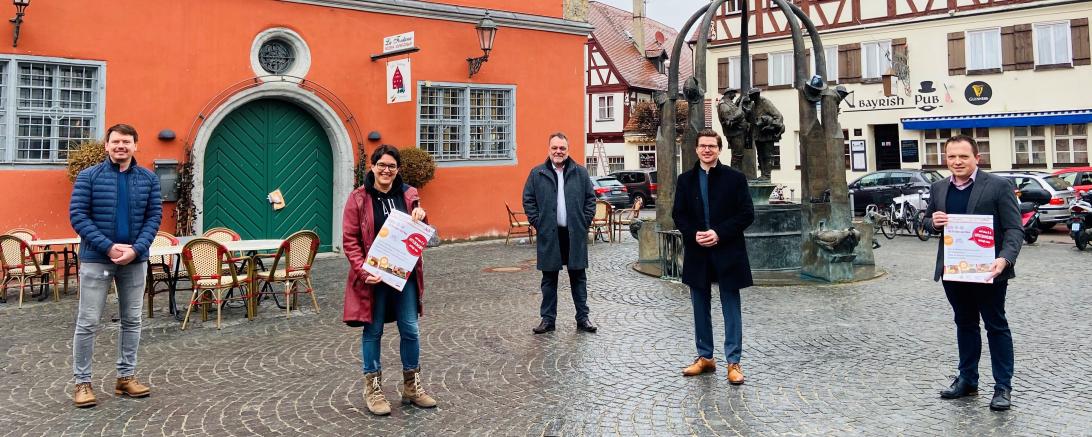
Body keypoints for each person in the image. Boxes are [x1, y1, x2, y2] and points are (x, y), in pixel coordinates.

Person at [922, 135, 1022, 411]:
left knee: (996, 325)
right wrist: (934, 222)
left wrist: (1005, 259)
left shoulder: (999, 186)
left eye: (963, 156)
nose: (957, 161)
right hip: (954, 271)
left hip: (989, 271)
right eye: (952, 156)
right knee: (964, 324)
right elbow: (927, 222)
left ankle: (1003, 386)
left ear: (977, 158)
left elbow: (1014, 229)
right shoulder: (939, 188)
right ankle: (968, 379)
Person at [68, 124, 162, 408]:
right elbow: (78, 217)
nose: (121, 146)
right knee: (88, 322)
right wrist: (108, 246)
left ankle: (125, 378)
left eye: (127, 142)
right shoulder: (88, 177)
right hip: (97, 259)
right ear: (107, 145)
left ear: (136, 146)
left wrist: (136, 249)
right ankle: (82, 382)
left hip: (134, 260)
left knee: (132, 320)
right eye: (116, 142)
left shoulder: (148, 179)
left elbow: (154, 217)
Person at [342, 145, 435, 416]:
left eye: (392, 166)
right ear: (372, 167)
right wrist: (362, 271)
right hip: (373, 277)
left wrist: (421, 215)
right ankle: (373, 388)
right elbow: (350, 240)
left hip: (403, 276)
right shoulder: (358, 198)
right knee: (373, 331)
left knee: (411, 329)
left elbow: (420, 234)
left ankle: (412, 387)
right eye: (381, 165)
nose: (386, 170)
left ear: (398, 170)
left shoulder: (408, 195)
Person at [672, 129, 754, 384]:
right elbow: (679, 214)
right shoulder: (685, 180)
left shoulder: (735, 178)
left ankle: (734, 362)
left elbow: (746, 214)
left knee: (731, 307)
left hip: (727, 249)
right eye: (703, 146)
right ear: (696, 150)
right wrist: (692, 234)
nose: (707, 150)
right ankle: (705, 357)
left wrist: (719, 233)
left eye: (712, 146)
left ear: (719, 149)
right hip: (698, 251)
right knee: (699, 306)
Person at [522, 132, 598, 334]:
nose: (558, 151)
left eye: (562, 148)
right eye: (555, 148)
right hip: (550, 235)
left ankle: (583, 318)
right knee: (549, 280)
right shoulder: (537, 173)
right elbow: (528, 200)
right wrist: (539, 223)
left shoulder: (580, 173)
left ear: (567, 150)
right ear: (549, 149)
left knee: (578, 278)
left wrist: (584, 222)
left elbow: (591, 200)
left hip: (574, 234)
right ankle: (548, 320)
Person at [741, 88, 784, 180]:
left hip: (767, 135)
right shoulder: (753, 105)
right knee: (760, 155)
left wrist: (769, 124)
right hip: (758, 135)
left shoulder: (765, 103)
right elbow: (751, 117)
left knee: (767, 155)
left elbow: (779, 117)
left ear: (757, 95)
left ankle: (767, 175)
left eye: (752, 95)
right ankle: (763, 174)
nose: (750, 97)